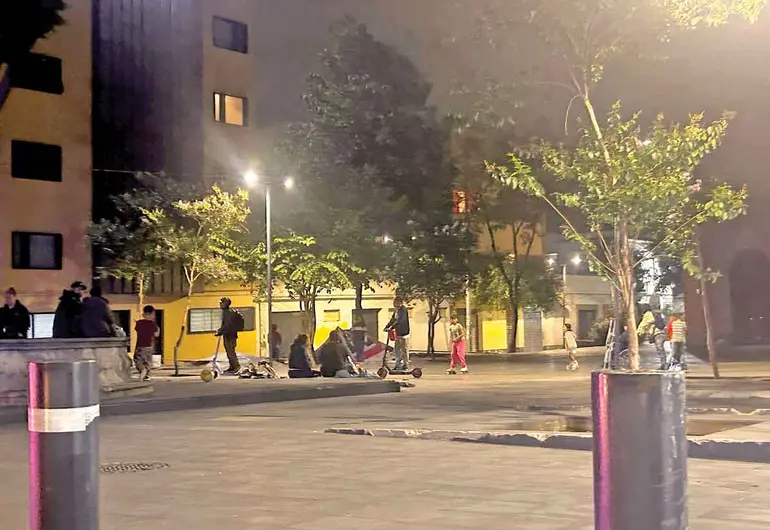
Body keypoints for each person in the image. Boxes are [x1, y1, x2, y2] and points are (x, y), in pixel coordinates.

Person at [134, 305, 160, 381]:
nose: (154, 316)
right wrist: (158, 328)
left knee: (138, 361)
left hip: (139, 346)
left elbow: (137, 329)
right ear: (151, 314)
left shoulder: (139, 323)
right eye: (154, 314)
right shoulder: (153, 324)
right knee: (147, 363)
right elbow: (156, 335)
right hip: (148, 346)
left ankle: (143, 372)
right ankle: (146, 374)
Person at [216, 297, 241, 373]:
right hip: (228, 334)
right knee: (229, 351)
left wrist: (220, 331)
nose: (220, 304)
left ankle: (236, 367)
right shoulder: (226, 311)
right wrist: (221, 330)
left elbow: (227, 324)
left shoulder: (228, 312)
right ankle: (232, 366)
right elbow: (225, 324)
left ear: (226, 304)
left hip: (230, 335)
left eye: (221, 303)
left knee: (231, 352)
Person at [384, 298, 410, 370]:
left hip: (404, 333)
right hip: (398, 333)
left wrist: (392, 327)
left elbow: (400, 321)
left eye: (395, 302)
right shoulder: (396, 310)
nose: (393, 304)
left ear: (400, 303)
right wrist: (387, 327)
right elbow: (393, 319)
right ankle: (398, 365)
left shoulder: (403, 310)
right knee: (397, 350)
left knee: (404, 350)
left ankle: (405, 365)